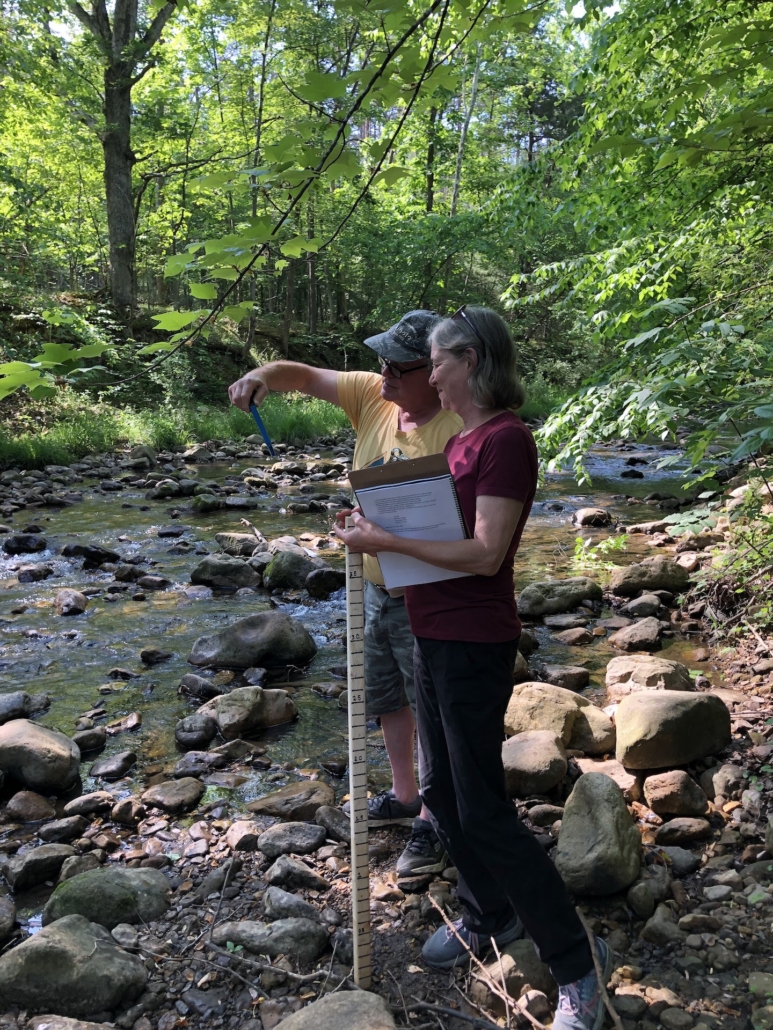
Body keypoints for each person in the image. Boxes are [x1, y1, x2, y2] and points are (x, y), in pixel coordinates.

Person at [334, 305, 611, 1030]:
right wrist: (371, 534)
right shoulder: (458, 444)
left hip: (472, 642)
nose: (428, 375)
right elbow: (430, 537)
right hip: (430, 634)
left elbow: (486, 553)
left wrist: (387, 535)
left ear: (473, 361)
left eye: (437, 361)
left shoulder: (505, 441)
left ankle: (576, 971)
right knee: (440, 793)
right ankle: (488, 917)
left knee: (485, 811)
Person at [228, 311, 462, 878]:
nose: (382, 373)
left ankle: (435, 818)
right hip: (375, 585)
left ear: (432, 373)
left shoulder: (460, 428)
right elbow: (303, 376)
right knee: (384, 694)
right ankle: (405, 796)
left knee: (433, 710)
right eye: (379, 361)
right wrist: (261, 373)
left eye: (396, 366)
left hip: (431, 593)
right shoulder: (374, 396)